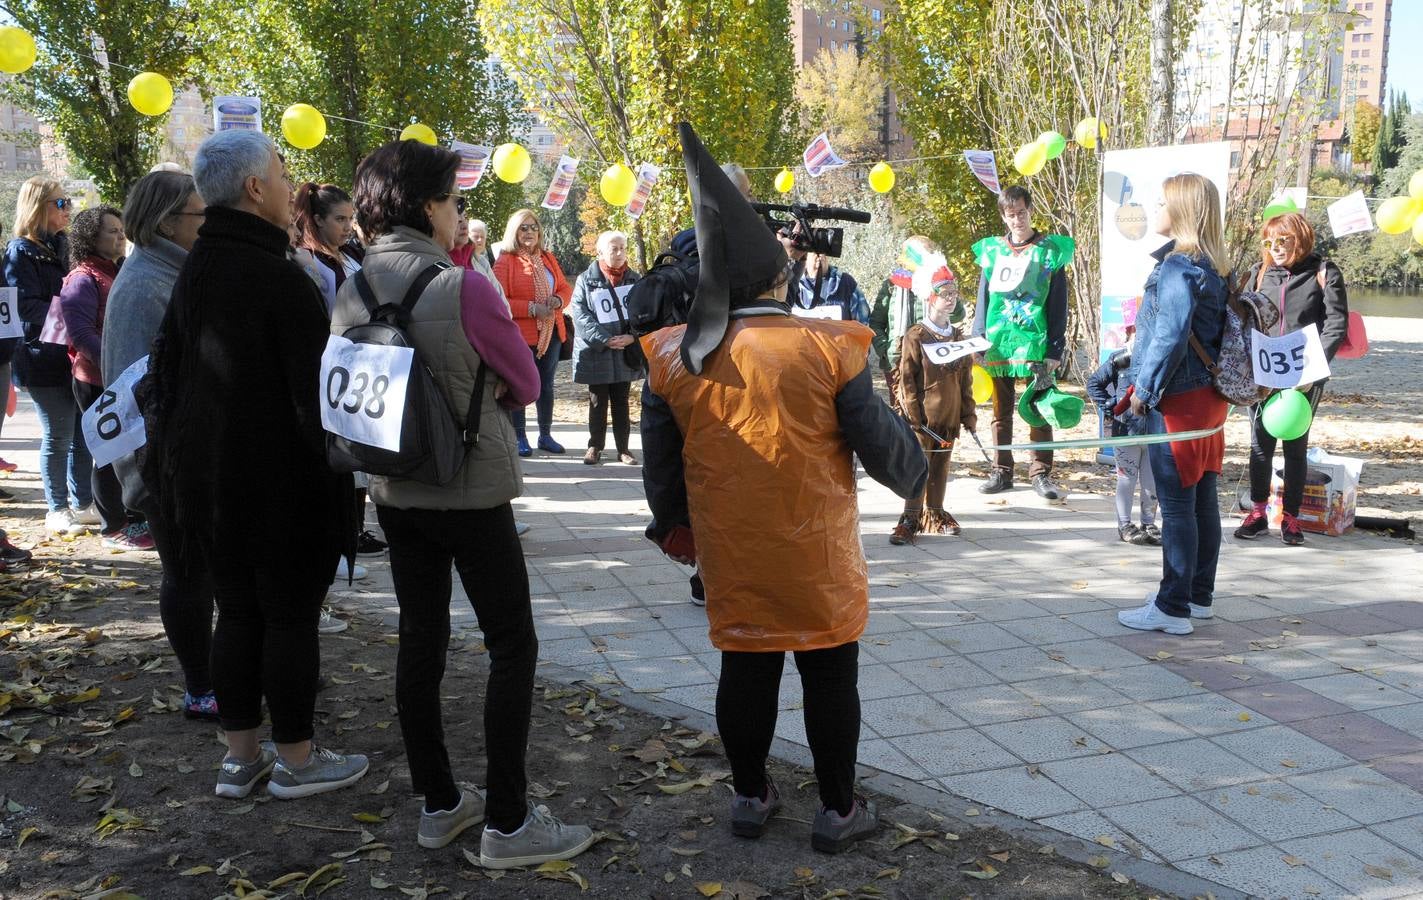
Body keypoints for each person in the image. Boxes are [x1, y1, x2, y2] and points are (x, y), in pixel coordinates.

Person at [641, 124, 926, 854]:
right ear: (779, 281)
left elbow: (660, 468)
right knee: (829, 674)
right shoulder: (828, 348)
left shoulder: (674, 358)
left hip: (731, 549)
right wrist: (916, 473)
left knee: (745, 666)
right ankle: (837, 809)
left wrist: (673, 526)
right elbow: (887, 453)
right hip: (815, 552)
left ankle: (749, 796)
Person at [333, 138, 594, 865]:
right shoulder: (463, 286)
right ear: (427, 206)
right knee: (511, 644)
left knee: (421, 638)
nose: (457, 215)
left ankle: (439, 802)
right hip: (470, 488)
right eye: (451, 201)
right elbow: (529, 382)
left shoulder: (351, 289)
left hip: (394, 488)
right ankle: (508, 822)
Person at [142, 129, 365, 798]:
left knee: (237, 613)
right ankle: (296, 759)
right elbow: (312, 398)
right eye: (282, 171)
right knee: (289, 616)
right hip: (277, 484)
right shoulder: (274, 273)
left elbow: (166, 377)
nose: (290, 182)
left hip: (206, 481)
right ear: (254, 187)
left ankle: (240, 758)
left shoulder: (197, 267)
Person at [103, 169, 217, 719]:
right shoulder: (146, 283)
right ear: (167, 222)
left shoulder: (174, 269)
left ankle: (218, 677)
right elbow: (135, 388)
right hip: (164, 462)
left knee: (202, 573)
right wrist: (160, 472)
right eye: (200, 214)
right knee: (188, 575)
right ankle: (201, 686)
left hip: (183, 454)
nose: (208, 223)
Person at [1117, 173, 1230, 636]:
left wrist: (1143, 393)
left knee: (1179, 506)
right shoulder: (1214, 266)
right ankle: (1197, 596)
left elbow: (1170, 336)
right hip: (1207, 400)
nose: (1156, 209)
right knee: (1202, 501)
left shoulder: (1179, 267)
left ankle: (1172, 606)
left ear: (1182, 210)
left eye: (1163, 202)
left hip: (1178, 401)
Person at [1234, 212, 1349, 547]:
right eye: (1269, 242)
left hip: (1305, 375)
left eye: (1282, 240)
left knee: (1295, 447)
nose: (1276, 248)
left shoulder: (1323, 272)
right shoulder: (1259, 273)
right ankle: (1258, 513)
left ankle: (1291, 518)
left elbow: (1336, 325)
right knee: (1260, 444)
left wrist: (1313, 371)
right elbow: (1243, 321)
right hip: (1265, 372)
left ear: (1300, 238)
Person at [6, 176, 99, 535]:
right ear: (38, 207)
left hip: (71, 355)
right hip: (40, 356)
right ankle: (57, 508)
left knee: (81, 435)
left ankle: (83, 502)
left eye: (68, 201)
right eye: (61, 203)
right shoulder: (20, 251)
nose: (68, 209)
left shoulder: (65, 245)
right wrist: (74, 313)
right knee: (58, 435)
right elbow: (24, 306)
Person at [58, 206, 153, 550]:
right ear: (90, 237)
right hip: (96, 379)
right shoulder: (82, 279)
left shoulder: (119, 270)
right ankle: (112, 527)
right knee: (109, 451)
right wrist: (116, 362)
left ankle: (133, 519)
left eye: (121, 229)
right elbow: (81, 335)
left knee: (131, 448)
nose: (120, 236)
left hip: (122, 378)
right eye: (111, 231)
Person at [970, 186, 1073, 499]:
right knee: (1000, 413)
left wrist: (1055, 348)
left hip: (1036, 345)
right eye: (1011, 214)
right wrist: (978, 338)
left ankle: (1041, 473)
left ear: (1030, 211)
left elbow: (1058, 303)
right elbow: (983, 298)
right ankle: (1002, 471)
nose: (1017, 219)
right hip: (999, 344)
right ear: (1004, 217)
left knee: (1039, 408)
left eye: (1022, 212)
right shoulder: (993, 252)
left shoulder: (1049, 251)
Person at [891, 266, 976, 544]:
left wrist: (968, 415)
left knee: (941, 466)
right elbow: (906, 378)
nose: (951, 299)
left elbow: (966, 381)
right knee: (919, 467)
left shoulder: (958, 337)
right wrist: (913, 416)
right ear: (931, 297)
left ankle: (936, 514)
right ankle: (910, 517)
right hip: (923, 420)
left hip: (948, 417)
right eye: (945, 294)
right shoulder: (916, 335)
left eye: (954, 293)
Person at [493, 209, 571, 457]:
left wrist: (558, 300)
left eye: (533, 227)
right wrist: (531, 308)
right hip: (520, 336)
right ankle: (519, 437)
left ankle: (545, 435)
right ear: (514, 232)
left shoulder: (548, 257)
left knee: (546, 386)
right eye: (523, 228)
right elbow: (499, 300)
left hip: (551, 334)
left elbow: (565, 288)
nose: (529, 232)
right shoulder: (506, 261)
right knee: (520, 386)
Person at [571, 230, 642, 466]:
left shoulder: (635, 279)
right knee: (597, 401)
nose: (620, 253)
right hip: (597, 352)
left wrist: (632, 337)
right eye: (614, 249)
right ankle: (595, 446)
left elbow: (644, 313)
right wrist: (604, 339)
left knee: (622, 401)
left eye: (623, 248)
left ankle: (624, 449)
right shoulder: (585, 279)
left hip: (624, 351)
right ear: (600, 252)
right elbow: (580, 314)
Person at [1086, 334, 1159, 546]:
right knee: (1126, 479)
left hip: (1155, 432)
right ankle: (1124, 524)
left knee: (1151, 482)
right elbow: (1094, 383)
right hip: (1126, 431)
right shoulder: (1120, 359)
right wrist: (1110, 406)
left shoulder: (1160, 358)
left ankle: (1149, 524)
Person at [294, 182, 362, 311]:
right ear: (319, 220)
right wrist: (308, 267)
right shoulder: (307, 257)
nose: (348, 227)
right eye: (340, 219)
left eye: (350, 218)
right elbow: (319, 293)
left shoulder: (353, 252)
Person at [793, 251, 869, 323]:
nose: (820, 255)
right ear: (805, 258)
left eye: (823, 250)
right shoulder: (794, 286)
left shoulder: (846, 282)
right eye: (815, 251)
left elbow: (864, 322)